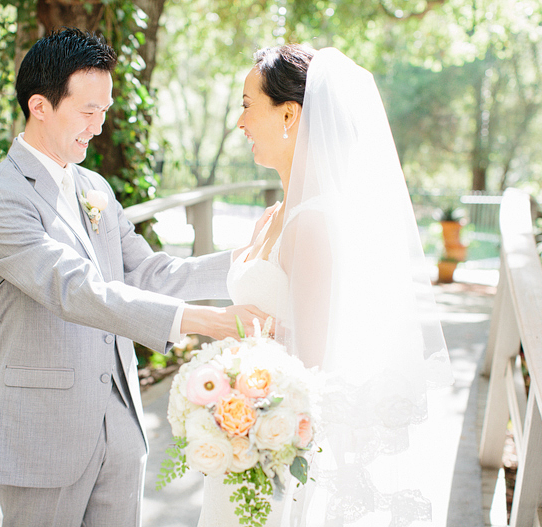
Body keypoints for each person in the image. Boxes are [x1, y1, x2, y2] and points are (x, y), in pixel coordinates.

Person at [0, 28, 272, 527]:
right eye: (88, 111)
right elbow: (72, 288)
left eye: (105, 110)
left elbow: (149, 271)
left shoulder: (94, 187)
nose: (99, 125)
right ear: (40, 106)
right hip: (45, 434)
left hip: (119, 425)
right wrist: (203, 320)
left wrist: (252, 256)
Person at [199, 45, 454, 526]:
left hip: (274, 449)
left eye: (247, 105)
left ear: (289, 114)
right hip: (242, 434)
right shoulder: (272, 216)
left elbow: (313, 373)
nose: (240, 122)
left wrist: (241, 409)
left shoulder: (314, 224)